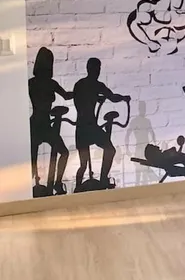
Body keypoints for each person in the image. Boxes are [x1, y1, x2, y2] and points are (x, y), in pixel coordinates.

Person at [73, 58, 130, 189]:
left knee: (103, 153)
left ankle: (92, 183)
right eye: (95, 69)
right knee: (85, 163)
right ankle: (87, 185)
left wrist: (96, 97)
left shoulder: (82, 84)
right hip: (87, 128)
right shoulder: (96, 85)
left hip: (84, 128)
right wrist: (123, 98)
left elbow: (82, 100)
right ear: (89, 69)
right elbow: (112, 97)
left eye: (98, 69)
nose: (97, 72)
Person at [28, 47, 72, 195]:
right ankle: (54, 183)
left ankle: (55, 183)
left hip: (39, 124)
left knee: (62, 153)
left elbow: (65, 96)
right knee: (62, 153)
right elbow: (66, 96)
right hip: (41, 124)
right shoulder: (49, 83)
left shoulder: (32, 83)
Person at [124, 101, 158, 185]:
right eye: (142, 108)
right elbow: (127, 134)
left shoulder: (147, 121)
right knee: (138, 172)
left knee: (145, 173)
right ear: (139, 109)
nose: (143, 110)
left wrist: (156, 145)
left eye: (144, 108)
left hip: (147, 149)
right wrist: (127, 148)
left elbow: (152, 133)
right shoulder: (135, 121)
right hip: (139, 148)